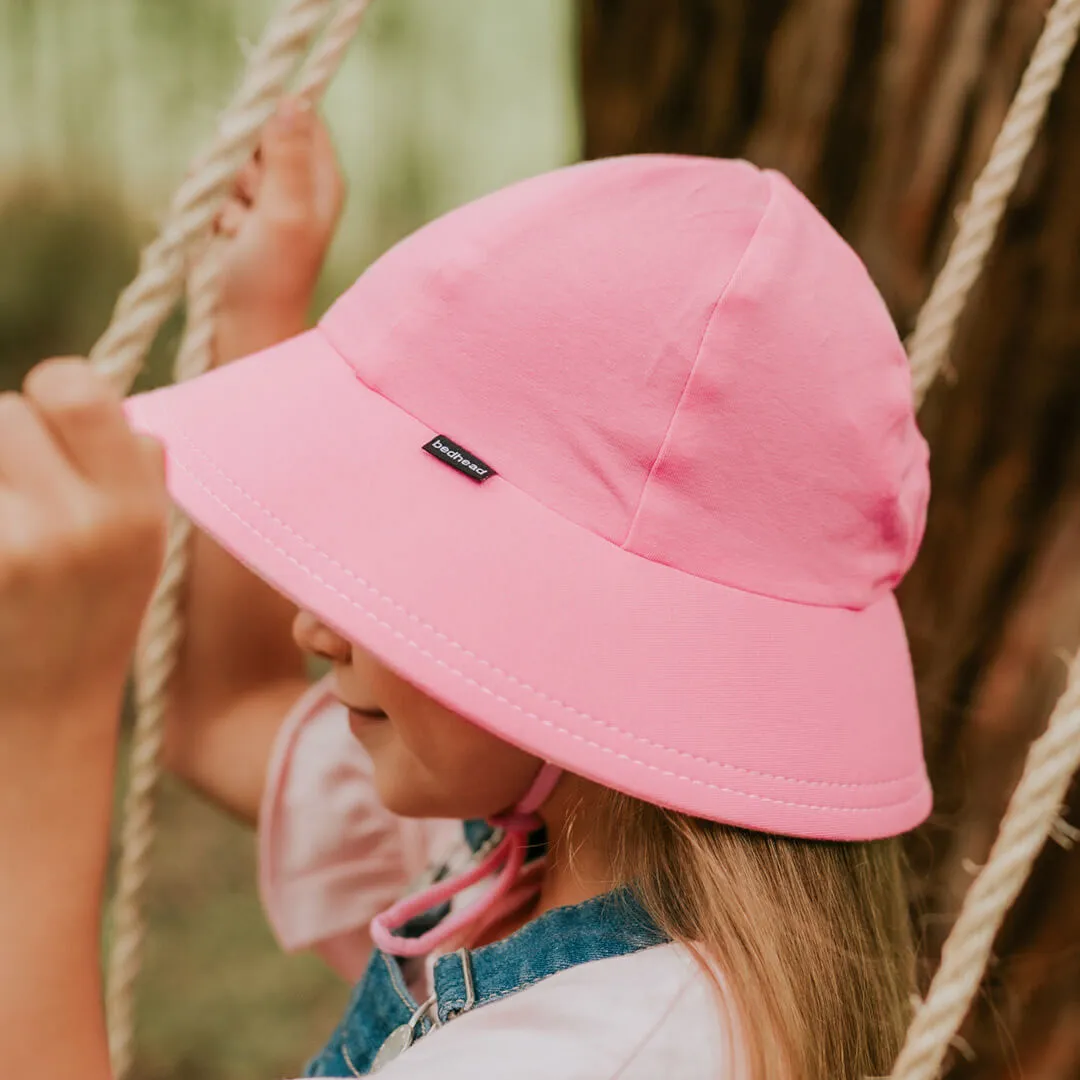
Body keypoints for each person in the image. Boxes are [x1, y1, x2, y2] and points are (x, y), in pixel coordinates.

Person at [0, 98, 932, 1079]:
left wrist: (43, 724)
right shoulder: (530, 844)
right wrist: (256, 309)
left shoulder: (604, 1054)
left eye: (422, 580)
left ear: (598, 647)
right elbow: (229, 719)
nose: (313, 624)